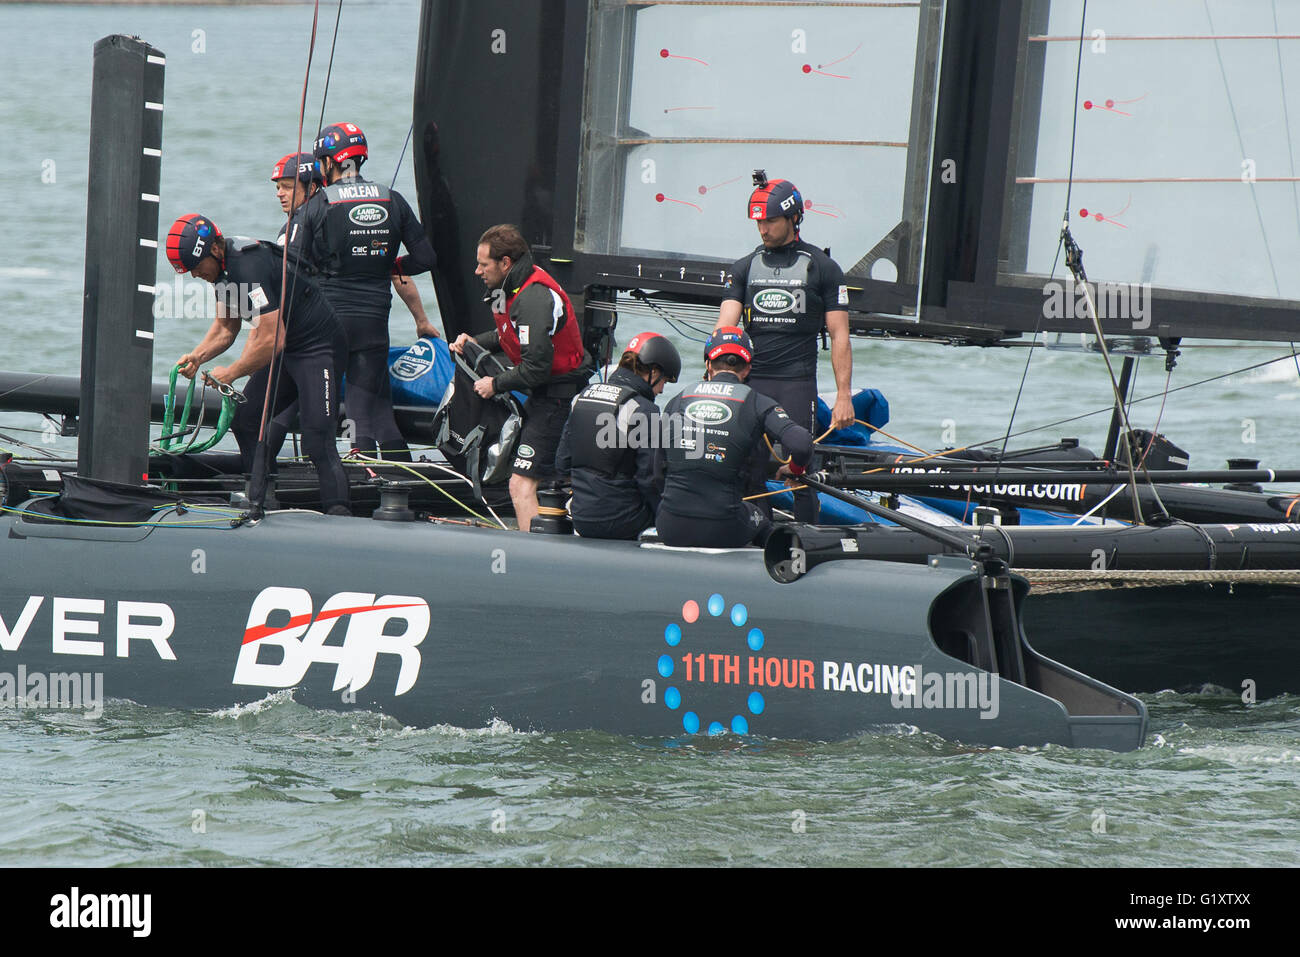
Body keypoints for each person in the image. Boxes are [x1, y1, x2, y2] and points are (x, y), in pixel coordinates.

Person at [167, 213, 350, 515]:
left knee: (317, 439)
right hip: (288, 350)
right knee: (247, 421)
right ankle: (263, 502)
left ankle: (340, 517)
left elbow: (272, 338)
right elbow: (227, 328)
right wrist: (197, 357)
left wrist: (233, 372)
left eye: (196, 268)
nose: (195, 275)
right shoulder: (223, 271)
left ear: (214, 249)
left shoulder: (246, 265)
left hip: (319, 348)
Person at [284, 123, 439, 462]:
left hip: (328, 326)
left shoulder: (316, 206)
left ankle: (352, 483)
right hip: (373, 325)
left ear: (328, 163)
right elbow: (427, 258)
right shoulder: (392, 199)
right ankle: (399, 481)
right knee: (372, 407)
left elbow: (290, 270)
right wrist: (389, 266)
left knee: (334, 413)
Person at [714, 171, 853, 522]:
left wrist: (843, 396)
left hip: (797, 381)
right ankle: (753, 533)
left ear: (794, 218)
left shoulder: (823, 268)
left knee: (800, 470)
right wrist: (712, 379)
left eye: (771, 221)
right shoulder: (744, 268)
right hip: (751, 381)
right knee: (748, 466)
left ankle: (805, 537)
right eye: (758, 222)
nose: (763, 229)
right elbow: (725, 326)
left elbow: (839, 335)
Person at [450, 224, 594, 532]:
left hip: (557, 398)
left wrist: (495, 384)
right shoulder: (511, 288)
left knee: (520, 483)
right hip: (543, 396)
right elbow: (507, 334)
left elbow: (537, 369)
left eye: (483, 264)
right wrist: (473, 342)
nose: (477, 271)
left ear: (505, 264)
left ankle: (531, 557)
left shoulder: (533, 299)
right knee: (537, 473)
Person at [656, 327, 813, 548]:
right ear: (748, 368)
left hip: (668, 525)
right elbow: (802, 444)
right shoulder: (757, 402)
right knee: (762, 520)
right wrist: (794, 470)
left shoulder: (678, 399)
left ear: (708, 364)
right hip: (723, 526)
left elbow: (657, 470)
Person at [272, 151, 439, 341]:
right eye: (278, 187)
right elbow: (396, 271)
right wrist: (421, 320)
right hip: (371, 327)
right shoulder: (349, 215)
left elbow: (284, 280)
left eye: (286, 187)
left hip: (320, 331)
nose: (279, 194)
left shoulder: (298, 225)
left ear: (311, 187)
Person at [555, 332, 680, 540]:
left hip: (581, 516)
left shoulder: (583, 396)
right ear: (653, 371)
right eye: (665, 381)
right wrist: (668, 516)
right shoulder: (645, 409)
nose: (661, 389)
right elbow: (649, 479)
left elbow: (562, 463)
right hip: (624, 519)